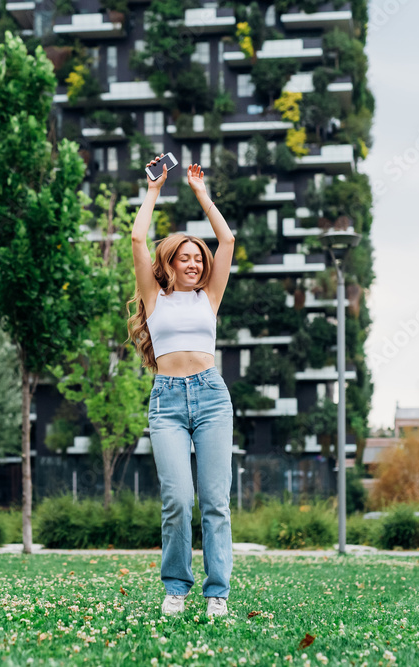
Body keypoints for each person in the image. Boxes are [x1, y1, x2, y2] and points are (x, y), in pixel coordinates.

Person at [126, 154, 236, 618]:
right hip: (167, 401)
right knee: (175, 500)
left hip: (211, 398)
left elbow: (227, 238)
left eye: (198, 258)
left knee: (214, 502)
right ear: (167, 263)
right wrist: (154, 190)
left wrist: (201, 195)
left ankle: (217, 594)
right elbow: (136, 236)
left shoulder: (209, 297)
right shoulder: (155, 298)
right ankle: (176, 587)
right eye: (185, 258)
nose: (194, 264)